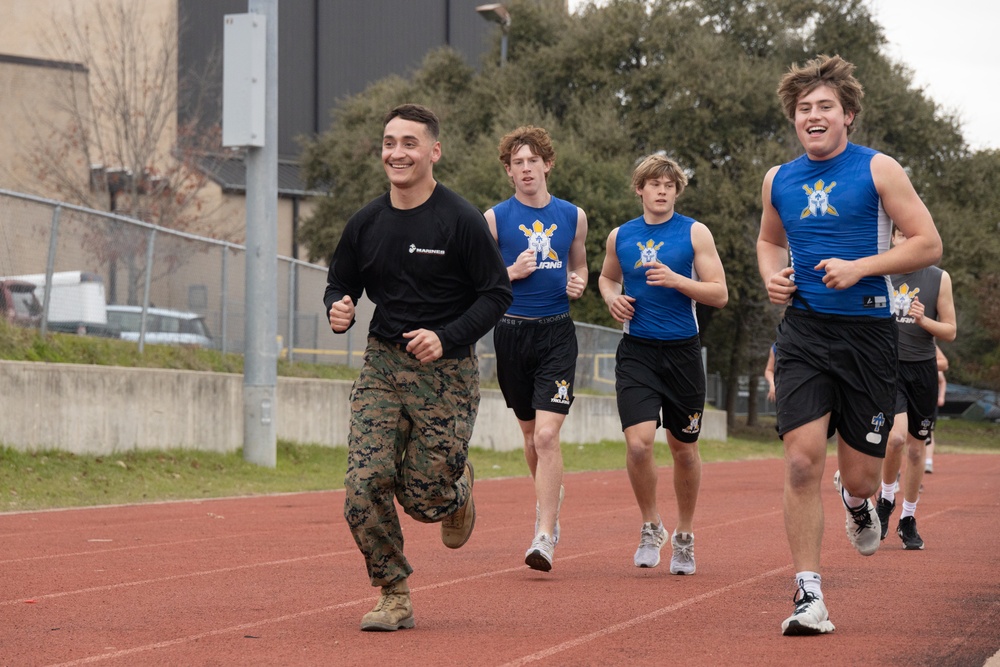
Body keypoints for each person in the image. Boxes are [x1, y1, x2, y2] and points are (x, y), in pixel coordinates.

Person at [756, 55, 942, 636]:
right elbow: (768, 240)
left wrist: (862, 268)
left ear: (848, 116)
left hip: (867, 335)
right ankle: (809, 593)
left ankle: (859, 503)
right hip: (806, 332)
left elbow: (928, 243)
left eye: (825, 107)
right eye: (804, 108)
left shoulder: (879, 170)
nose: (813, 115)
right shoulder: (778, 179)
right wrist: (773, 276)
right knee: (801, 459)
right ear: (795, 119)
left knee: (860, 477)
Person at [324, 103, 512, 632]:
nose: (397, 152)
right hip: (383, 364)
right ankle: (394, 594)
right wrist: (338, 307)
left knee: (424, 499)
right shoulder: (366, 222)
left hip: (445, 373)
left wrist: (446, 336)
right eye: (389, 142)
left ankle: (458, 491)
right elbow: (340, 283)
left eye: (409, 143)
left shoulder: (461, 220)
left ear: (434, 151)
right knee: (363, 486)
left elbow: (496, 295)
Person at [599, 153, 728, 575]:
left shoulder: (694, 233)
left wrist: (677, 280)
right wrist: (611, 298)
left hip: (682, 354)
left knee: (683, 449)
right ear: (640, 189)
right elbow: (607, 277)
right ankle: (651, 524)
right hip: (637, 352)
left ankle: (685, 535)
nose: (661, 191)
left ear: (676, 191)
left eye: (669, 186)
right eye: (654, 184)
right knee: (638, 444)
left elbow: (719, 293)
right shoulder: (620, 235)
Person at [484, 126, 589, 572]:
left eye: (533, 161)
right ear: (509, 172)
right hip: (511, 334)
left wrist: (579, 280)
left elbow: (579, 262)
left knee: (547, 435)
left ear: (547, 164)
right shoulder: (493, 219)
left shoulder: (573, 216)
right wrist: (511, 271)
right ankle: (549, 502)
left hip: (556, 334)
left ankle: (544, 533)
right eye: (517, 163)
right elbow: (480, 283)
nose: (526, 169)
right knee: (530, 436)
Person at [876, 247, 956, 550]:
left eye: (913, 233)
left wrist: (924, 320)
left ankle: (908, 518)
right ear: (894, 237)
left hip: (923, 369)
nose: (908, 238)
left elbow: (950, 331)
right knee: (894, 439)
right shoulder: (880, 272)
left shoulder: (938, 278)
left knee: (915, 448)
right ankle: (885, 499)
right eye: (901, 233)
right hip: (889, 367)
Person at [925, 345, 949, 474]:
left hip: (929, 401)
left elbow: (942, 380)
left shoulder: (932, 360)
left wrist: (941, 397)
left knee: (929, 432)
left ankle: (928, 461)